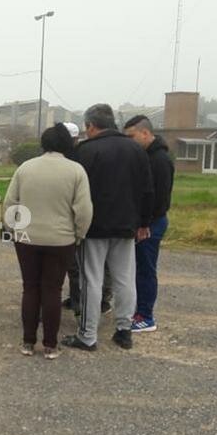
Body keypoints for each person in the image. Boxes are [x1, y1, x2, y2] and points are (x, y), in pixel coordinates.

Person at [61, 104, 154, 352]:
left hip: (94, 227)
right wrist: (144, 222)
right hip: (127, 226)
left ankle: (88, 334)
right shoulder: (136, 149)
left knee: (91, 280)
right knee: (125, 279)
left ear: (91, 125)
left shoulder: (86, 151)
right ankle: (124, 331)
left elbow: (76, 193)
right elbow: (147, 190)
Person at [4, 123, 93, 360]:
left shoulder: (25, 168)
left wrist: (13, 229)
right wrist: (78, 234)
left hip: (27, 237)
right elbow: (84, 210)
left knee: (30, 288)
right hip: (61, 239)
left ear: (43, 143)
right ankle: (51, 345)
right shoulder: (76, 171)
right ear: (68, 143)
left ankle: (27, 342)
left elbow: (10, 203)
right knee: (52, 289)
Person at [123, 115, 174, 333]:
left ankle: (145, 316)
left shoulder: (159, 160)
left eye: (131, 136)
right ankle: (138, 310)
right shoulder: (147, 156)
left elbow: (159, 199)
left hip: (151, 224)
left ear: (145, 133)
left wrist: (145, 224)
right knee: (138, 268)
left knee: (145, 269)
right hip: (144, 222)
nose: (129, 141)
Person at [61, 122, 114, 316]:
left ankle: (99, 300)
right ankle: (76, 297)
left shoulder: (84, 155)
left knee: (92, 264)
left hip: (90, 217)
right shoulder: (72, 156)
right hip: (73, 217)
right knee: (74, 265)